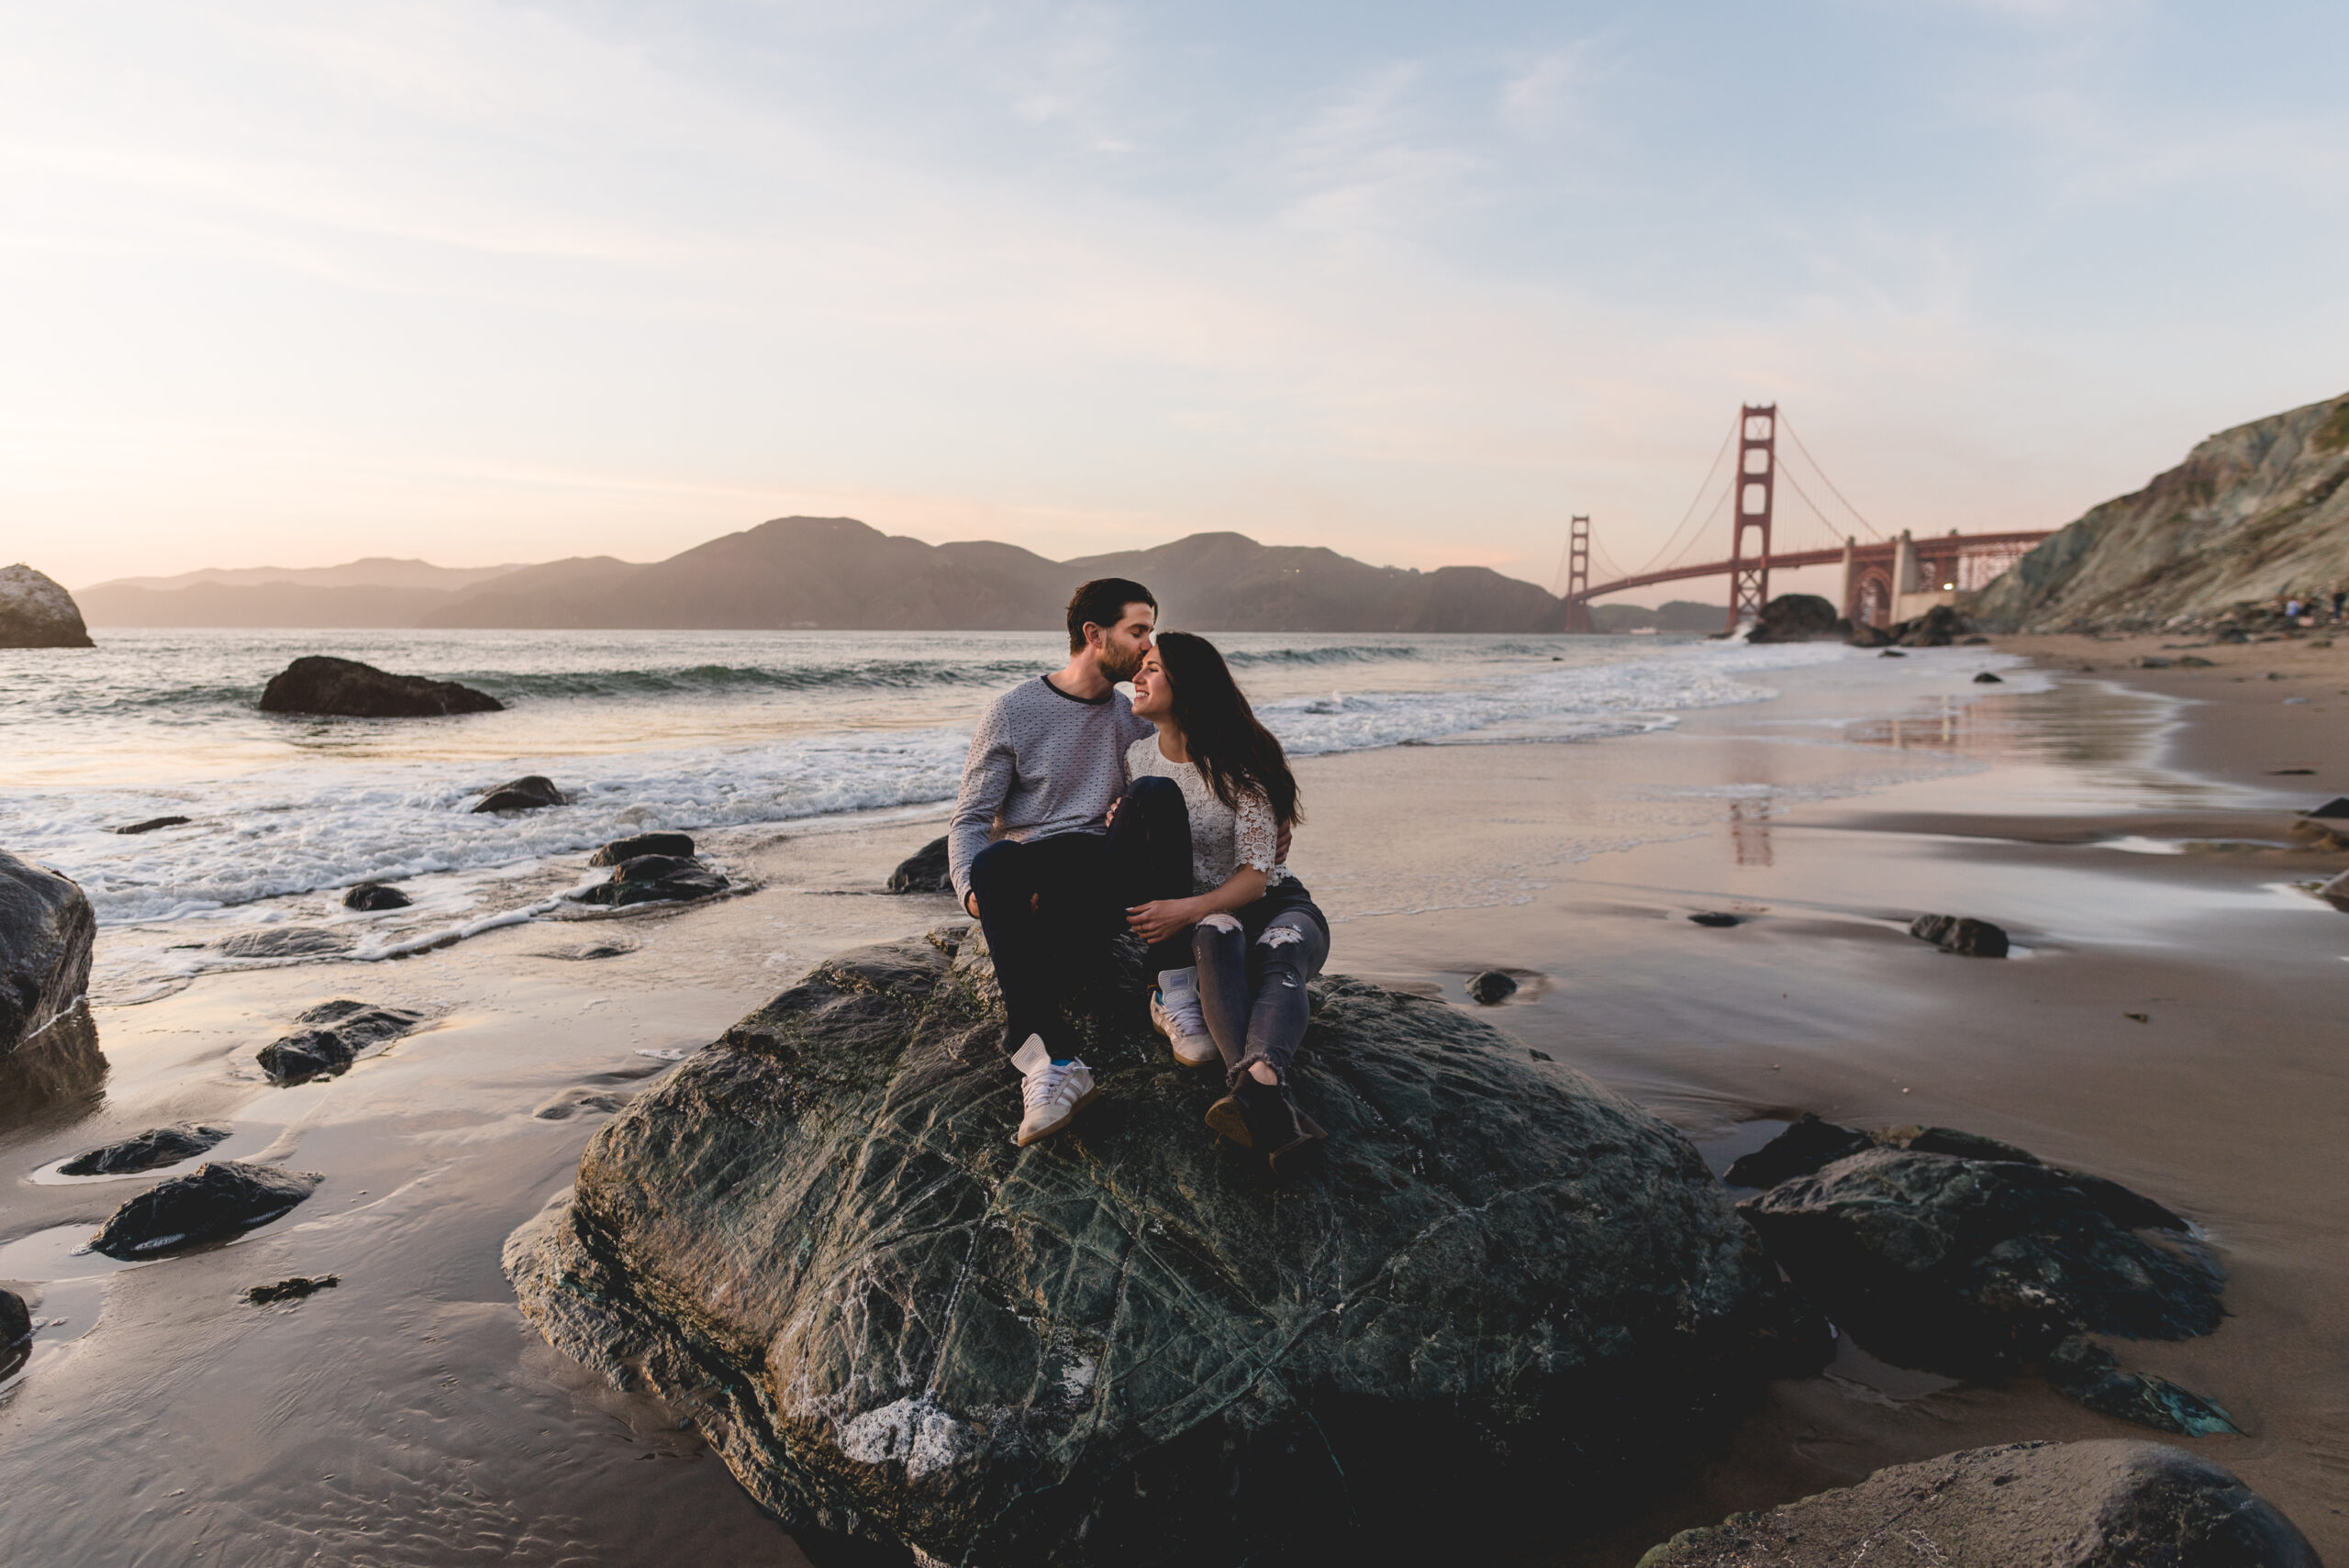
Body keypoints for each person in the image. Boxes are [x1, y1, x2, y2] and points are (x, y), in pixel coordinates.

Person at [950, 579, 1159, 1146]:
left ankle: (1171, 989)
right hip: (1038, 883)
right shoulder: (1014, 711)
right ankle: (1052, 1063)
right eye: (1138, 631)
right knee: (995, 864)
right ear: (1094, 634)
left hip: (1108, 876)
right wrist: (977, 895)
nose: (1148, 646)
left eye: (1150, 632)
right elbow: (970, 819)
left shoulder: (1138, 718)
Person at [1113, 631, 1330, 1171]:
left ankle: (1253, 1094)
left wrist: (1181, 911)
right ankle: (1268, 1099)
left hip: (1275, 904)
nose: (1136, 678)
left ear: (1187, 685)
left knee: (1279, 953)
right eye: (1139, 667)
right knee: (1216, 935)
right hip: (1212, 923)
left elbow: (1256, 880)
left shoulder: (1242, 762)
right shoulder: (1138, 759)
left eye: (1153, 668)